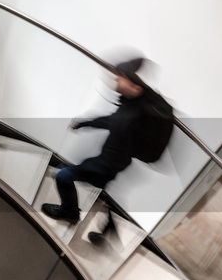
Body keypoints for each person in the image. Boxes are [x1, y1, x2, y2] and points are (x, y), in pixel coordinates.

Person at [41, 56, 173, 245]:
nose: (116, 81)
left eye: (120, 78)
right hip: (115, 160)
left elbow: (115, 122)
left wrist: (86, 125)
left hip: (107, 163)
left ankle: (69, 212)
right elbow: (110, 121)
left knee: (63, 176)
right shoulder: (130, 106)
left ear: (135, 87)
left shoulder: (137, 114)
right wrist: (84, 123)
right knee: (103, 193)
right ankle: (109, 230)